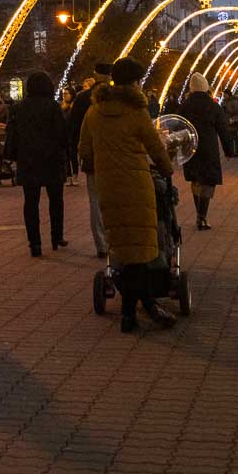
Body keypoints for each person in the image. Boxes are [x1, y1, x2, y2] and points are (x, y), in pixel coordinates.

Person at [79, 57, 178, 333]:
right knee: (141, 252)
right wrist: (167, 169)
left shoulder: (94, 112)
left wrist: (101, 165)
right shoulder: (137, 111)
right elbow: (155, 148)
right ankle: (132, 312)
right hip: (137, 185)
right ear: (134, 82)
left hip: (108, 186)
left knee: (123, 247)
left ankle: (137, 308)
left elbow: (84, 149)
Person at [6, 71, 70, 256]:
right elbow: (62, 134)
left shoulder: (20, 108)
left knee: (31, 203)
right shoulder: (53, 107)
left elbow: (13, 134)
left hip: (28, 160)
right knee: (56, 200)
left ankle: (34, 243)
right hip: (51, 160)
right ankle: (56, 236)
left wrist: (16, 154)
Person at [68, 65, 111, 258]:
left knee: (95, 202)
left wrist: (81, 153)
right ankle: (115, 241)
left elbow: (76, 129)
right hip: (116, 159)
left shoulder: (84, 101)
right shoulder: (122, 100)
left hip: (93, 159)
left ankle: (102, 244)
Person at [178, 73, 226, 230]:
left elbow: (177, 126)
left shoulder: (184, 106)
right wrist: (229, 150)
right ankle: (202, 216)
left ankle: (200, 214)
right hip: (208, 148)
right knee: (207, 182)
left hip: (189, 148)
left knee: (195, 180)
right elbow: (223, 129)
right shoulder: (213, 106)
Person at [220, 90, 238, 157]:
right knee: (229, 137)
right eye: (223, 95)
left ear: (228, 94)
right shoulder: (224, 102)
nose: (224, 96)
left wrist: (233, 119)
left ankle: (236, 152)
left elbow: (237, 112)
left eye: (225, 95)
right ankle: (231, 152)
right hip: (226, 121)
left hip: (233, 121)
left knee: (234, 136)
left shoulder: (234, 101)